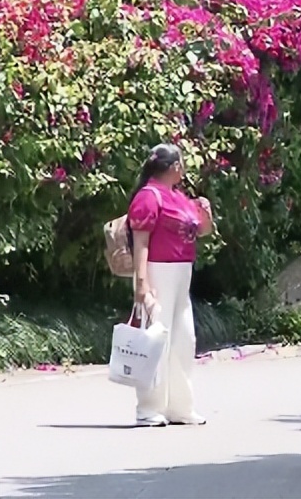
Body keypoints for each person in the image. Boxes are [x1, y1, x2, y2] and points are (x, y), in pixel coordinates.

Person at [128, 143, 214, 427]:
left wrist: (205, 213)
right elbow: (140, 241)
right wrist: (142, 283)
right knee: (155, 339)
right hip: (158, 271)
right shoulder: (149, 196)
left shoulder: (178, 197)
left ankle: (180, 406)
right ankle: (148, 407)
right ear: (174, 166)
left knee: (183, 340)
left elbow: (202, 230)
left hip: (181, 273)